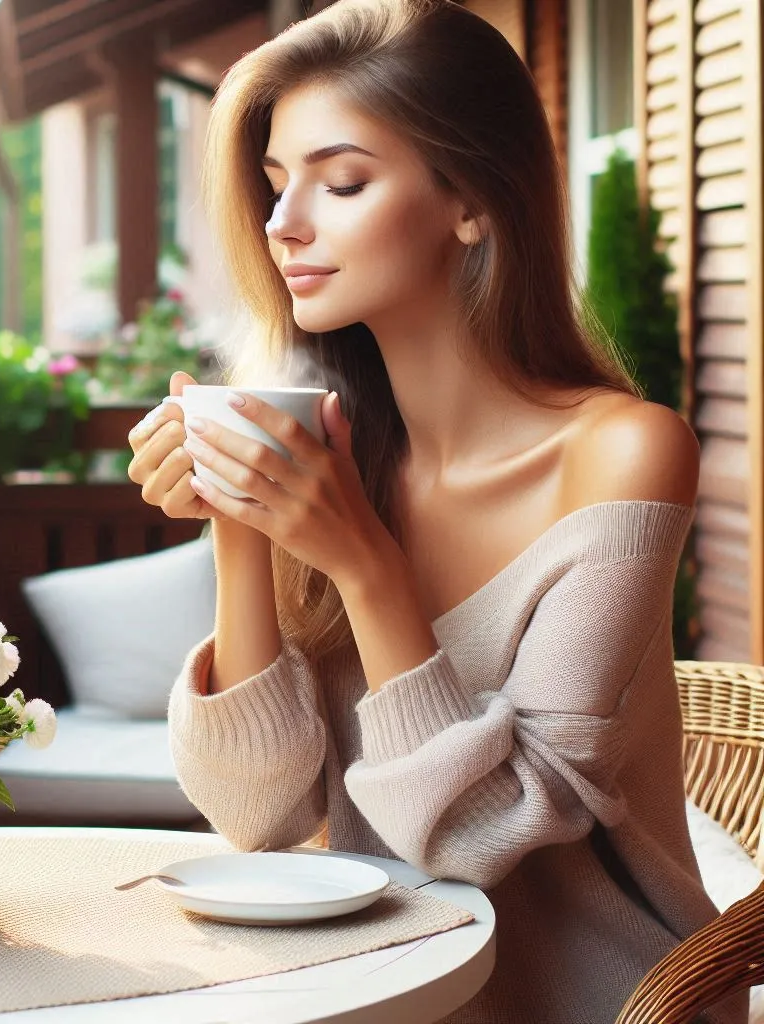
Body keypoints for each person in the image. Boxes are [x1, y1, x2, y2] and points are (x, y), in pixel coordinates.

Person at [125, 1, 746, 1020]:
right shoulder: (341, 454)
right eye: (278, 183)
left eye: (343, 180)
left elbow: (479, 834)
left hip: (610, 1002)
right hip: (385, 992)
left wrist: (366, 566)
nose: (284, 224)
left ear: (470, 201)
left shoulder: (621, 452)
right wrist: (238, 520)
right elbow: (255, 812)